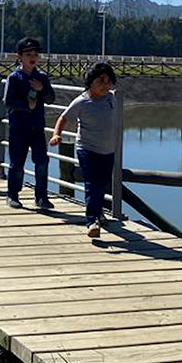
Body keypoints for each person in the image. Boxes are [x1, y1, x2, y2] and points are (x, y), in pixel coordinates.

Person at [50, 62, 118, 238]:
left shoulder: (111, 98)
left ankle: (98, 211)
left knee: (103, 182)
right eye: (101, 80)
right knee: (92, 183)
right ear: (90, 81)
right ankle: (91, 220)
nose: (105, 84)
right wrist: (56, 135)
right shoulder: (82, 101)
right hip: (87, 149)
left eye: (109, 80)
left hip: (108, 149)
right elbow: (63, 118)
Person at [5, 37, 55, 210]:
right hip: (18, 127)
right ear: (19, 57)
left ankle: (41, 197)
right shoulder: (14, 78)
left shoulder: (41, 77)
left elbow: (51, 98)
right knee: (17, 163)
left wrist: (42, 89)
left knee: (42, 162)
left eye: (35, 54)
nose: (32, 57)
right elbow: (8, 102)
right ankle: (13, 194)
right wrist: (26, 105)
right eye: (28, 54)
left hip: (37, 127)